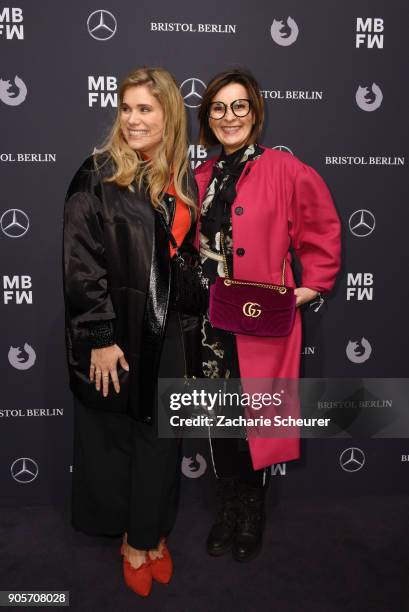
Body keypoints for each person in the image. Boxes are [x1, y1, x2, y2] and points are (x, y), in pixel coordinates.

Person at [195, 69, 341, 562]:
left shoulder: (283, 170)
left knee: (256, 416)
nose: (229, 116)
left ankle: (251, 512)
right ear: (207, 118)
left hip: (260, 322)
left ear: (255, 114)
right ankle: (227, 507)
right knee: (221, 417)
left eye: (239, 106)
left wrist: (308, 287)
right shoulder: (199, 178)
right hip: (210, 325)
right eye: (218, 108)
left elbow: (321, 228)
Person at [63, 67, 198, 597]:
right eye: (126, 108)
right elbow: (80, 263)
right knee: (116, 440)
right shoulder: (97, 175)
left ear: (169, 116)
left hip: (172, 336)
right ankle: (132, 543)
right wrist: (98, 335)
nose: (134, 119)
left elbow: (178, 263)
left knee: (162, 440)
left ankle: (149, 533)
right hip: (120, 337)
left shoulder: (176, 179)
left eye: (146, 109)